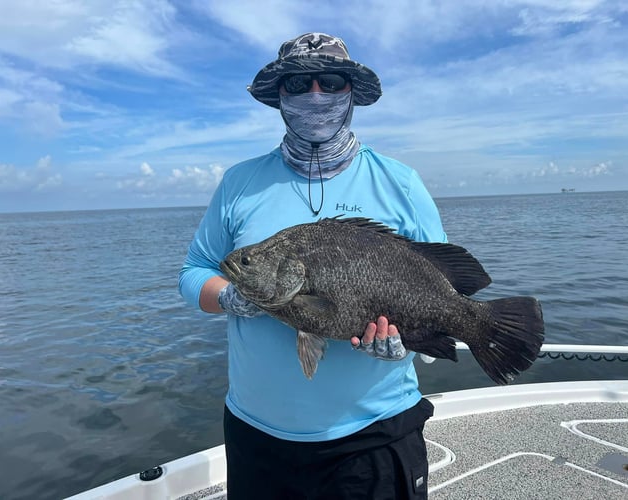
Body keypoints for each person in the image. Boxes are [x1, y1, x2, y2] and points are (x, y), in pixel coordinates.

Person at [179, 32, 447, 499]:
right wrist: (229, 295)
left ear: (351, 94)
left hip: (376, 433)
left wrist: (407, 345)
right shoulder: (239, 183)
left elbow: (441, 291)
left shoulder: (400, 182)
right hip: (257, 434)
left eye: (330, 81)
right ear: (280, 97)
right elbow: (194, 272)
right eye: (298, 85)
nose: (315, 94)